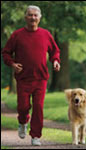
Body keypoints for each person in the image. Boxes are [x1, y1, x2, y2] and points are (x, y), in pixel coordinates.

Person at [2, 5, 60, 146]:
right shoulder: (17, 35)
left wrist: (56, 61)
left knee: (38, 107)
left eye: (35, 15)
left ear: (40, 18)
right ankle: (22, 122)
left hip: (41, 78)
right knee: (23, 107)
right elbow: (6, 53)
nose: (33, 18)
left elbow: (54, 51)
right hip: (23, 78)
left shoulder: (46, 34)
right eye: (30, 15)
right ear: (25, 17)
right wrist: (12, 64)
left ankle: (35, 136)